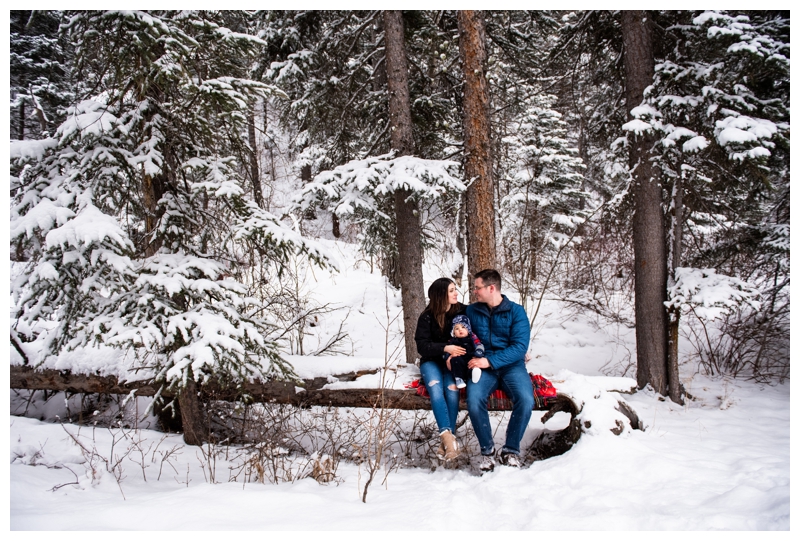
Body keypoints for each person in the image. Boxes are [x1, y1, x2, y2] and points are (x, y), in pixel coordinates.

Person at [465, 269, 534, 472]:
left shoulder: (516, 311)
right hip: (482, 367)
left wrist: (490, 361)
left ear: (491, 288)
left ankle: (511, 450)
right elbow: (460, 333)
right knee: (474, 399)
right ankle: (487, 452)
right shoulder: (472, 311)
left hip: (511, 366)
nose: (475, 291)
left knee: (526, 399)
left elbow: (520, 347)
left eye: (477, 287)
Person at [414, 278, 467, 461]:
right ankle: (448, 438)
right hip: (431, 362)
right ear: (441, 295)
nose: (455, 293)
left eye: (455, 289)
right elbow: (422, 346)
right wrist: (445, 347)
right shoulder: (426, 316)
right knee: (436, 390)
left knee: (452, 392)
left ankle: (446, 443)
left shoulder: (461, 311)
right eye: (451, 290)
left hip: (453, 363)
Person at [446, 315, 485, 389]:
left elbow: (479, 344)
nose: (460, 330)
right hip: (459, 359)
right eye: (457, 328)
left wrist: (479, 352)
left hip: (470, 357)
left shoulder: (472, 337)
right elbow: (447, 351)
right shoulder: (452, 341)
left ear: (468, 329)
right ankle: (459, 379)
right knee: (455, 361)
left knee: (473, 363)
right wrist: (449, 356)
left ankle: (474, 373)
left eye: (463, 327)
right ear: (453, 332)